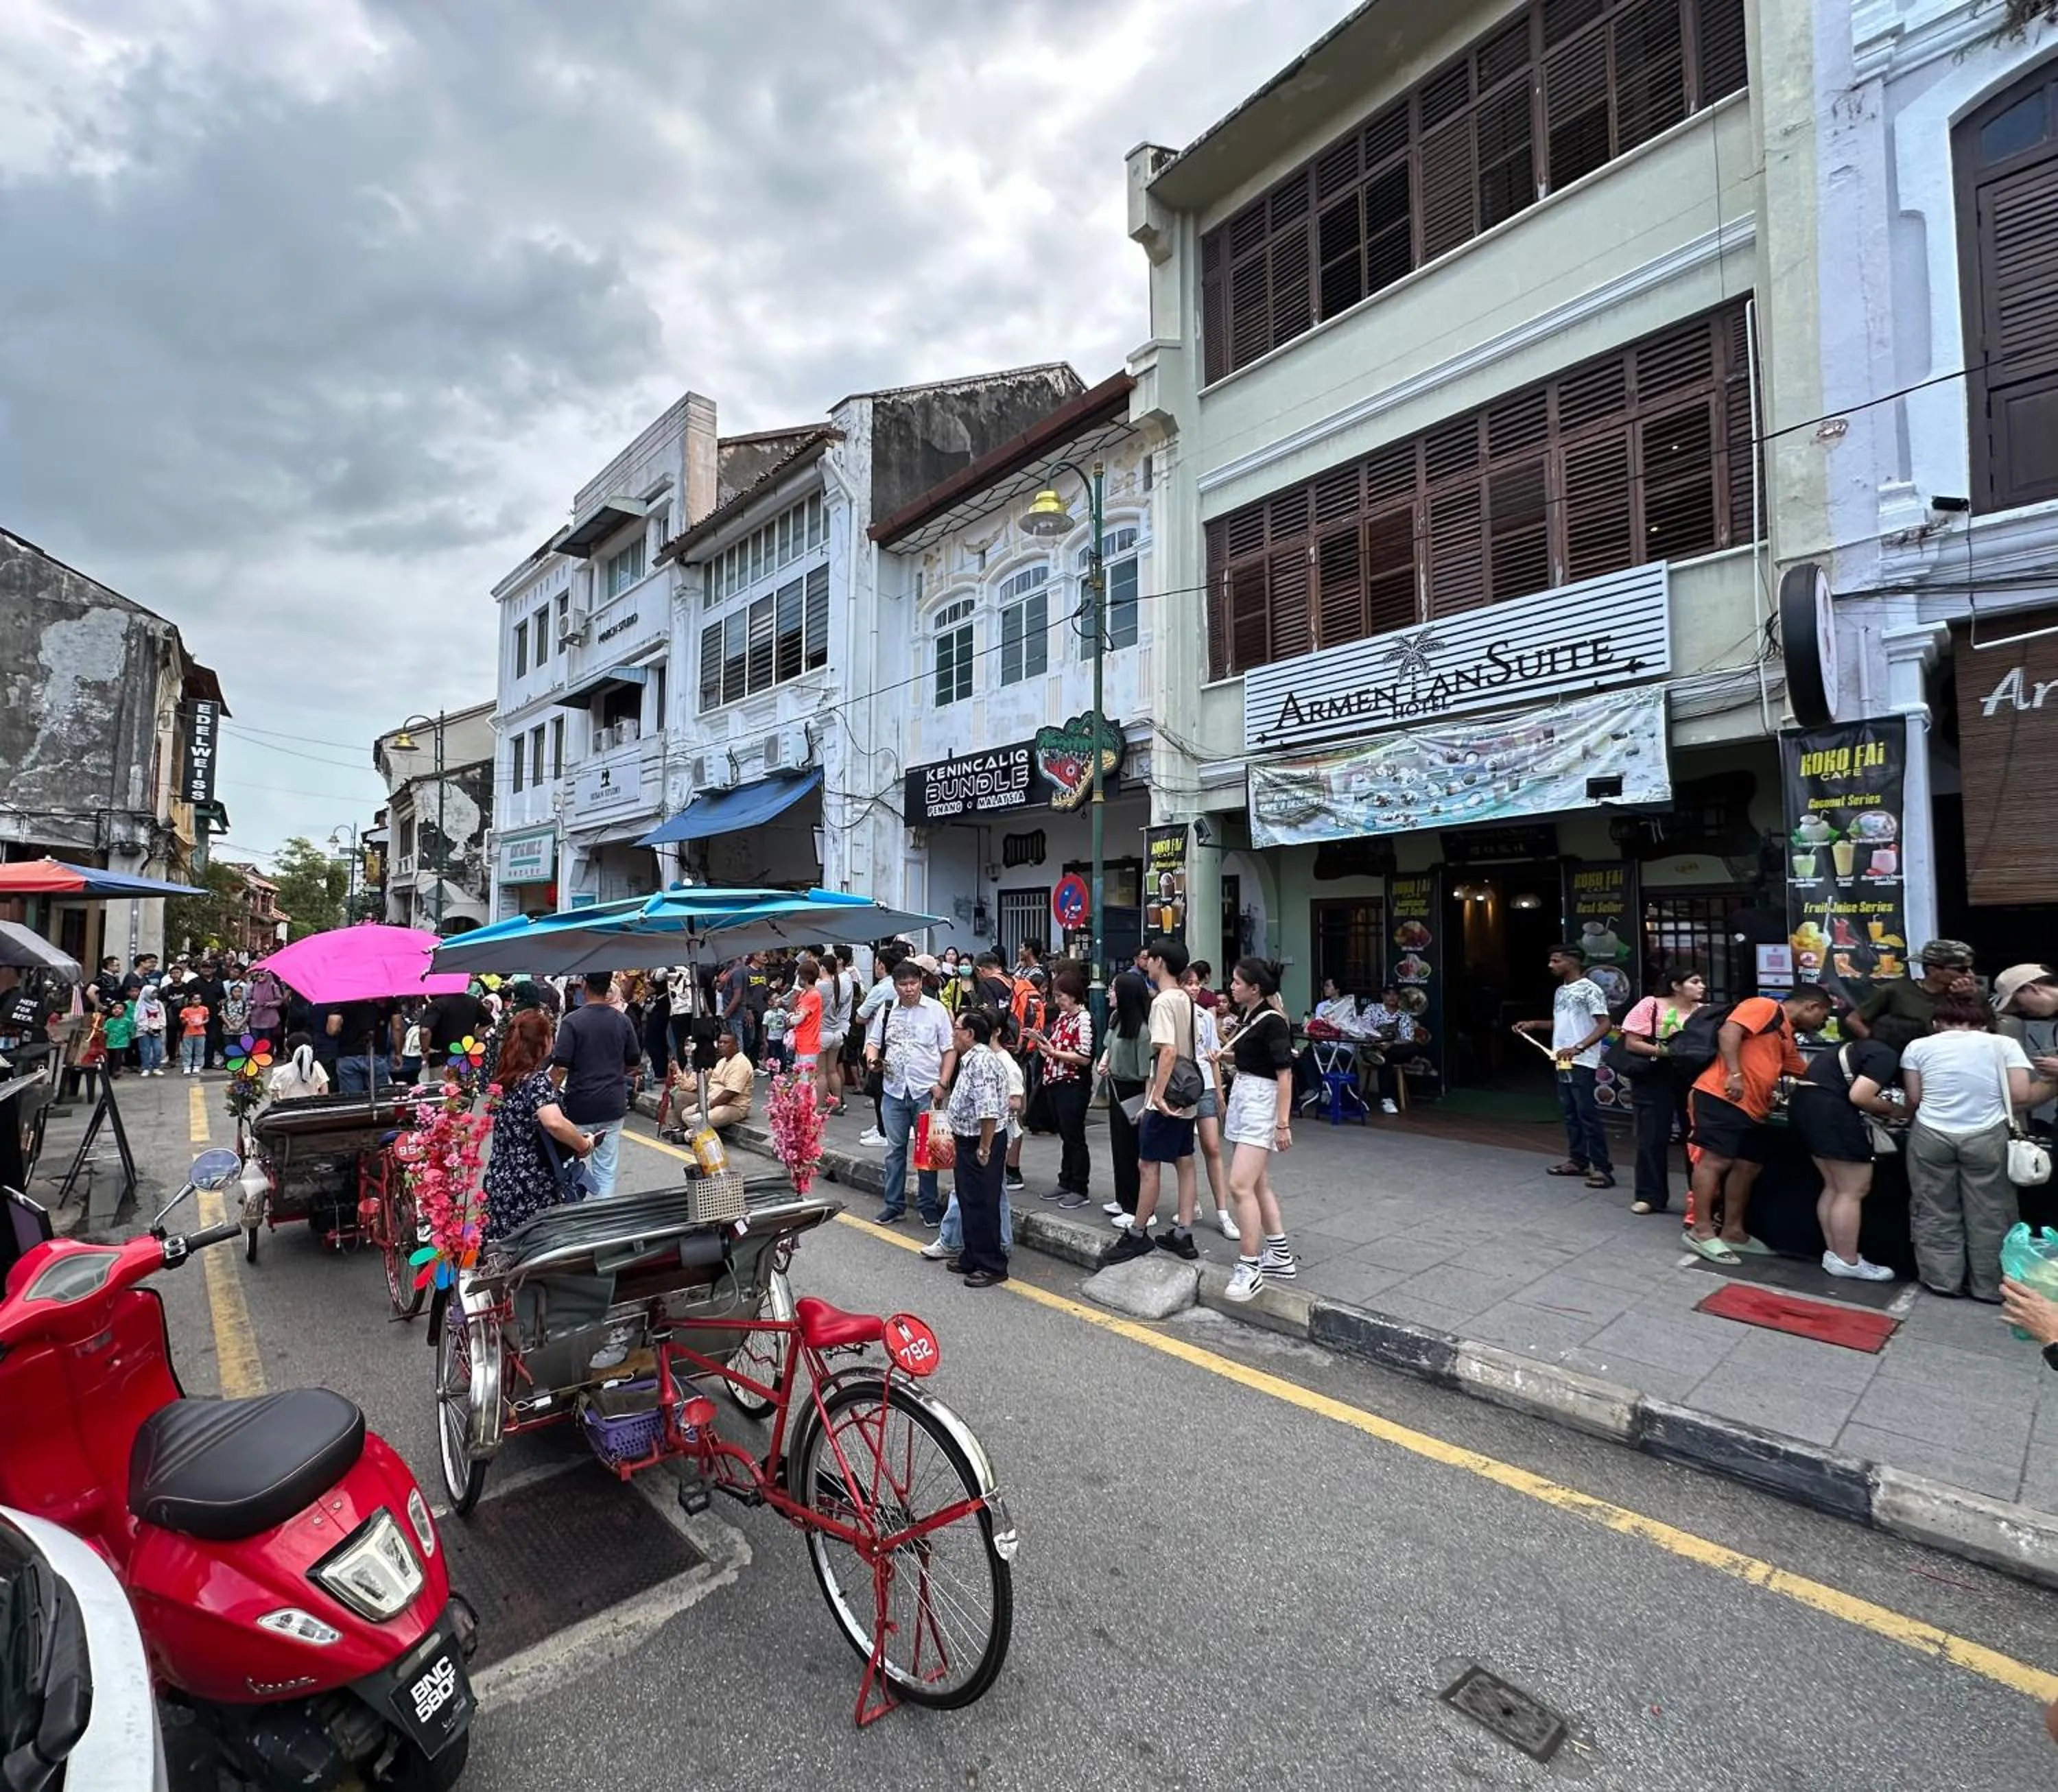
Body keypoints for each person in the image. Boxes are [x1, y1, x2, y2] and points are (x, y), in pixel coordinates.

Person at [1902, 994, 2058, 1302]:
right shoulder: (2004, 1045)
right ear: (1986, 1023)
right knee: (1992, 1211)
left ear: (1937, 1022)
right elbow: (2019, 1095)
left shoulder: (1917, 1047)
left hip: (1931, 1133)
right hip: (1987, 1134)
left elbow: (1915, 1098)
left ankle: (1942, 1281)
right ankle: (1990, 1286)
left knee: (1933, 1207)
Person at [1685, 985, 1832, 1264]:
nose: (1821, 1023)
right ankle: (1701, 1230)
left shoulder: (1785, 1033)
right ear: (1812, 1006)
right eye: (1822, 1016)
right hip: (1722, 1096)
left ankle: (1733, 1231)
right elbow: (1729, 1031)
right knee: (1715, 1161)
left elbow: (1805, 1073)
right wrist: (1734, 1074)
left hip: (1753, 1109)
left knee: (1748, 1165)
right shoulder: (1765, 1007)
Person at [1792, 1016, 1919, 1281]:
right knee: (1853, 1189)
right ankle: (1848, 1260)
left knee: (1834, 1185)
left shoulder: (1856, 1047)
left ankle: (1836, 1255)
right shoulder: (1884, 1055)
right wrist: (1895, 1110)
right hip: (1832, 1113)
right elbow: (1860, 1095)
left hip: (1806, 1106)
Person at [1109, 937, 1204, 1265]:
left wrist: (1157, 1096)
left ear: (1160, 962)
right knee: (1184, 1160)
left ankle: (1137, 1233)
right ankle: (1183, 1232)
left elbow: (1168, 1051)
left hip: (1168, 1092)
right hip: (1187, 1090)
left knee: (1147, 1164)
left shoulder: (1163, 1002)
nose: (1145, 962)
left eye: (1149, 958)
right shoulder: (1186, 998)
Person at [1216, 957, 1299, 1301]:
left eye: (1237, 982)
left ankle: (1249, 1267)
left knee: (1239, 1185)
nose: (1231, 987)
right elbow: (1253, 1059)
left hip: (1261, 1104)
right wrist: (1222, 1057)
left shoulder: (1273, 1021)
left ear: (1255, 988)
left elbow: (1284, 1074)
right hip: (1246, 1097)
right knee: (1257, 1183)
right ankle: (1279, 1255)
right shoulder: (1250, 1016)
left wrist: (1282, 1123)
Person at [484, 1010, 599, 1242]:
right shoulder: (536, 1081)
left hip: (499, 1178)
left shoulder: (504, 1080)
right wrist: (584, 1145)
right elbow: (554, 1122)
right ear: (542, 1042)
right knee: (534, 1249)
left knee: (503, 1250)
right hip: (531, 1183)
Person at [1515, 945, 1615, 1190]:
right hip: (1561, 1059)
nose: (1551, 965)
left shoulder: (1590, 989)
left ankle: (1602, 1168)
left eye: (1556, 961)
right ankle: (1578, 1160)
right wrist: (1534, 1024)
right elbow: (1562, 1022)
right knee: (1570, 1113)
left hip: (1581, 1060)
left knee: (1586, 1113)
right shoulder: (1561, 990)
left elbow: (1605, 1024)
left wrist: (1579, 1047)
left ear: (1572, 962)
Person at [864, 958, 954, 1227]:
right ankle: (894, 1205)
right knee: (895, 1151)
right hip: (893, 1091)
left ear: (921, 982)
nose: (909, 989)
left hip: (926, 1091)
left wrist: (942, 1084)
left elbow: (949, 1049)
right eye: (903, 984)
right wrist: (872, 1061)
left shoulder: (936, 1010)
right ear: (895, 986)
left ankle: (928, 1205)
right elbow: (873, 1042)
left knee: (928, 1152)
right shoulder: (887, 1009)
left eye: (913, 983)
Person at [1620, 963, 1705, 1216]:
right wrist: (1666, 1051)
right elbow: (1632, 1043)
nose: (1702, 987)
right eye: (1695, 982)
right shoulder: (1651, 1005)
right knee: (1652, 1136)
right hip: (1654, 1075)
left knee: (1696, 1137)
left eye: (1701, 982)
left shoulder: (1704, 1012)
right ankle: (1649, 1195)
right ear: (1676, 986)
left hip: (1691, 1077)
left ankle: (1700, 1197)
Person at [548, 971, 643, 1200]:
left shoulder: (572, 1021)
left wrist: (547, 1095)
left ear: (584, 986)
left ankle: (572, 1214)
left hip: (579, 1106)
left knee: (567, 1167)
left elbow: (560, 1068)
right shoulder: (622, 1020)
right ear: (608, 988)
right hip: (612, 1104)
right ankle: (603, 1218)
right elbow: (633, 1062)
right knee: (606, 1171)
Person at [936, 1009, 1010, 1287]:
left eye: (956, 1028)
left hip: (981, 1142)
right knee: (969, 1199)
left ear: (970, 1034)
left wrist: (984, 1148)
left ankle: (992, 1264)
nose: (953, 1033)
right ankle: (972, 1255)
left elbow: (988, 1112)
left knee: (984, 1201)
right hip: (966, 1140)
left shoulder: (982, 1063)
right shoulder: (970, 1060)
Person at [1180, 967, 1239, 1240]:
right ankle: (1190, 1204)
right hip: (1180, 1088)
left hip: (1204, 1085)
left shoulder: (1205, 1016)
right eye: (1188, 983)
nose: (1194, 988)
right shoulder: (1173, 1013)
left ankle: (1223, 1212)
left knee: (1212, 1147)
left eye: (1197, 984)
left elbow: (1213, 1057)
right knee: (1183, 1150)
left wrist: (1219, 1094)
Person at [1097, 969, 1153, 1228]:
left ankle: (1137, 1207)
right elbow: (1109, 1046)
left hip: (1134, 1092)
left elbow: (1147, 1073)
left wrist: (1147, 1104)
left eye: (1114, 989)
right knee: (1120, 1148)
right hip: (1116, 1086)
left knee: (1132, 1151)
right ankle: (1123, 1199)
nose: (1110, 993)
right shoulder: (1117, 1019)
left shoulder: (1142, 1031)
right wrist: (1106, 1062)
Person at [1034, 967, 1094, 1210]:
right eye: (1056, 996)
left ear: (1074, 995)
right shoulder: (1063, 1018)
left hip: (1073, 1084)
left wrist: (1054, 1052)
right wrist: (1044, 1046)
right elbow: (1055, 1047)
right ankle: (1066, 1180)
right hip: (1056, 1081)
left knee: (1074, 1137)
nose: (1058, 1001)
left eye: (1061, 996)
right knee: (1066, 1136)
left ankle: (1079, 1186)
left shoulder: (1084, 1020)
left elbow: (1084, 1057)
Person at [1847, 940, 1978, 1040]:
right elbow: (1853, 1020)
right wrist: (1879, 1048)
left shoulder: (1972, 994)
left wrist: (1965, 1000)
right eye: (1962, 970)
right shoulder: (1895, 991)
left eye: (1970, 968)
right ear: (1933, 970)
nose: (1970, 975)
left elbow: (1983, 1030)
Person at [1361, 986, 1426, 1115]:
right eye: (1388, 994)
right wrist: (1378, 1043)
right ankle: (1387, 1099)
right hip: (1374, 1045)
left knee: (1410, 1048)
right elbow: (1363, 1028)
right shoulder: (1373, 1009)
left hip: (1395, 1049)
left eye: (1395, 994)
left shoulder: (1404, 1014)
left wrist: (1391, 1044)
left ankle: (1386, 1097)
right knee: (1386, 1059)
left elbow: (1407, 1038)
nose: (1391, 997)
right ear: (1383, 996)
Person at [329, 999, 397, 1096]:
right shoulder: (385, 997)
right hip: (377, 1054)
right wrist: (398, 1053)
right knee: (380, 1098)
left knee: (354, 1100)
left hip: (348, 1055)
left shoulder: (341, 998)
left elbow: (333, 1029)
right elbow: (397, 1027)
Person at [818, 950, 854, 1115]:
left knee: (821, 1073)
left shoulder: (821, 986)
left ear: (823, 968)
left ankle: (820, 1106)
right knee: (832, 1070)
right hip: (836, 1032)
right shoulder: (839, 984)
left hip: (823, 1032)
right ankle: (837, 1103)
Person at [705, 1030, 755, 1129]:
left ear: (736, 1046)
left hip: (734, 1106)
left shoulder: (741, 1063)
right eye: (720, 1042)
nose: (721, 1045)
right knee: (687, 1113)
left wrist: (709, 1106)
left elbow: (730, 1094)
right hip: (715, 1102)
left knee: (705, 1118)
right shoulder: (722, 1061)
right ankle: (697, 1132)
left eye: (726, 1043)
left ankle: (691, 1134)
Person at [787, 954, 823, 1085]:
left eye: (799, 977)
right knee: (800, 1080)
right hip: (802, 1042)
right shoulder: (805, 994)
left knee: (805, 1082)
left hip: (809, 1044)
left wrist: (790, 1018)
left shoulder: (813, 995)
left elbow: (799, 1018)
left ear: (806, 978)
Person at [265, 1033, 330, 1101]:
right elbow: (324, 1091)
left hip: (287, 1106)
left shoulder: (280, 1072)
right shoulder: (317, 1067)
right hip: (312, 1105)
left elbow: (275, 1097)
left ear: (287, 1049)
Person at [134, 983, 167, 1076]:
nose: (155, 995)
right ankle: (146, 1068)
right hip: (144, 1031)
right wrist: (146, 1028)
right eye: (153, 993)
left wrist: (161, 1026)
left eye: (156, 993)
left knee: (158, 1049)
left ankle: (156, 1067)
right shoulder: (141, 1004)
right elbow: (138, 1018)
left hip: (156, 1030)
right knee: (145, 1050)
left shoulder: (158, 1004)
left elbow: (162, 1016)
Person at [177, 987, 210, 1076]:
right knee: (187, 1051)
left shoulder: (204, 1009)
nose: (198, 1001)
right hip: (188, 1033)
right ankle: (187, 1066)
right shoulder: (186, 1010)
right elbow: (182, 1022)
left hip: (200, 1033)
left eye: (199, 999)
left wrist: (202, 1023)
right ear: (191, 1001)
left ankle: (197, 1066)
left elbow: (207, 1019)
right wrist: (187, 1020)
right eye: (195, 999)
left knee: (199, 1050)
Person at [100, 998, 133, 1077]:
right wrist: (104, 1032)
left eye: (120, 1008)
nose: (117, 1010)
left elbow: (130, 1032)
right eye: (115, 1008)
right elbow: (106, 1030)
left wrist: (129, 1041)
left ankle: (117, 1071)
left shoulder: (127, 1021)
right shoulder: (109, 1021)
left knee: (118, 1057)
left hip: (122, 1042)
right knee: (111, 1057)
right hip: (111, 1042)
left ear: (124, 1011)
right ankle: (109, 1071)